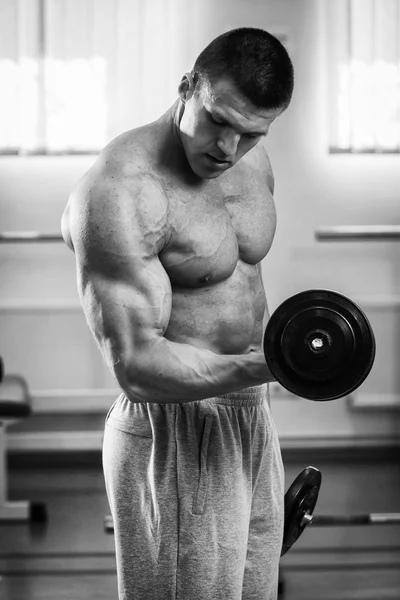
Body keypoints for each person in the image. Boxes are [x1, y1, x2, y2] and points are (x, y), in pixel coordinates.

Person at [61, 27, 294, 600]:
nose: (227, 149)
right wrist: (273, 366)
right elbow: (139, 366)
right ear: (188, 86)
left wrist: (270, 371)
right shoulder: (121, 191)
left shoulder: (250, 162)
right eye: (218, 120)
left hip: (249, 418)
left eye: (250, 133)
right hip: (173, 430)